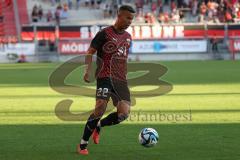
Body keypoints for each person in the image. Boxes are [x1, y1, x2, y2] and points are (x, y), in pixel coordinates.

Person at [77, 5, 135, 155]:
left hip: (120, 80)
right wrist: (87, 71)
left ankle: (99, 125)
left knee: (123, 114)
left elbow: (124, 59)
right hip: (105, 76)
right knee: (100, 108)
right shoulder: (105, 33)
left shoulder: (128, 37)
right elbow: (90, 52)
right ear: (119, 16)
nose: (130, 21)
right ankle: (83, 144)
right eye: (128, 18)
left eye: (132, 19)